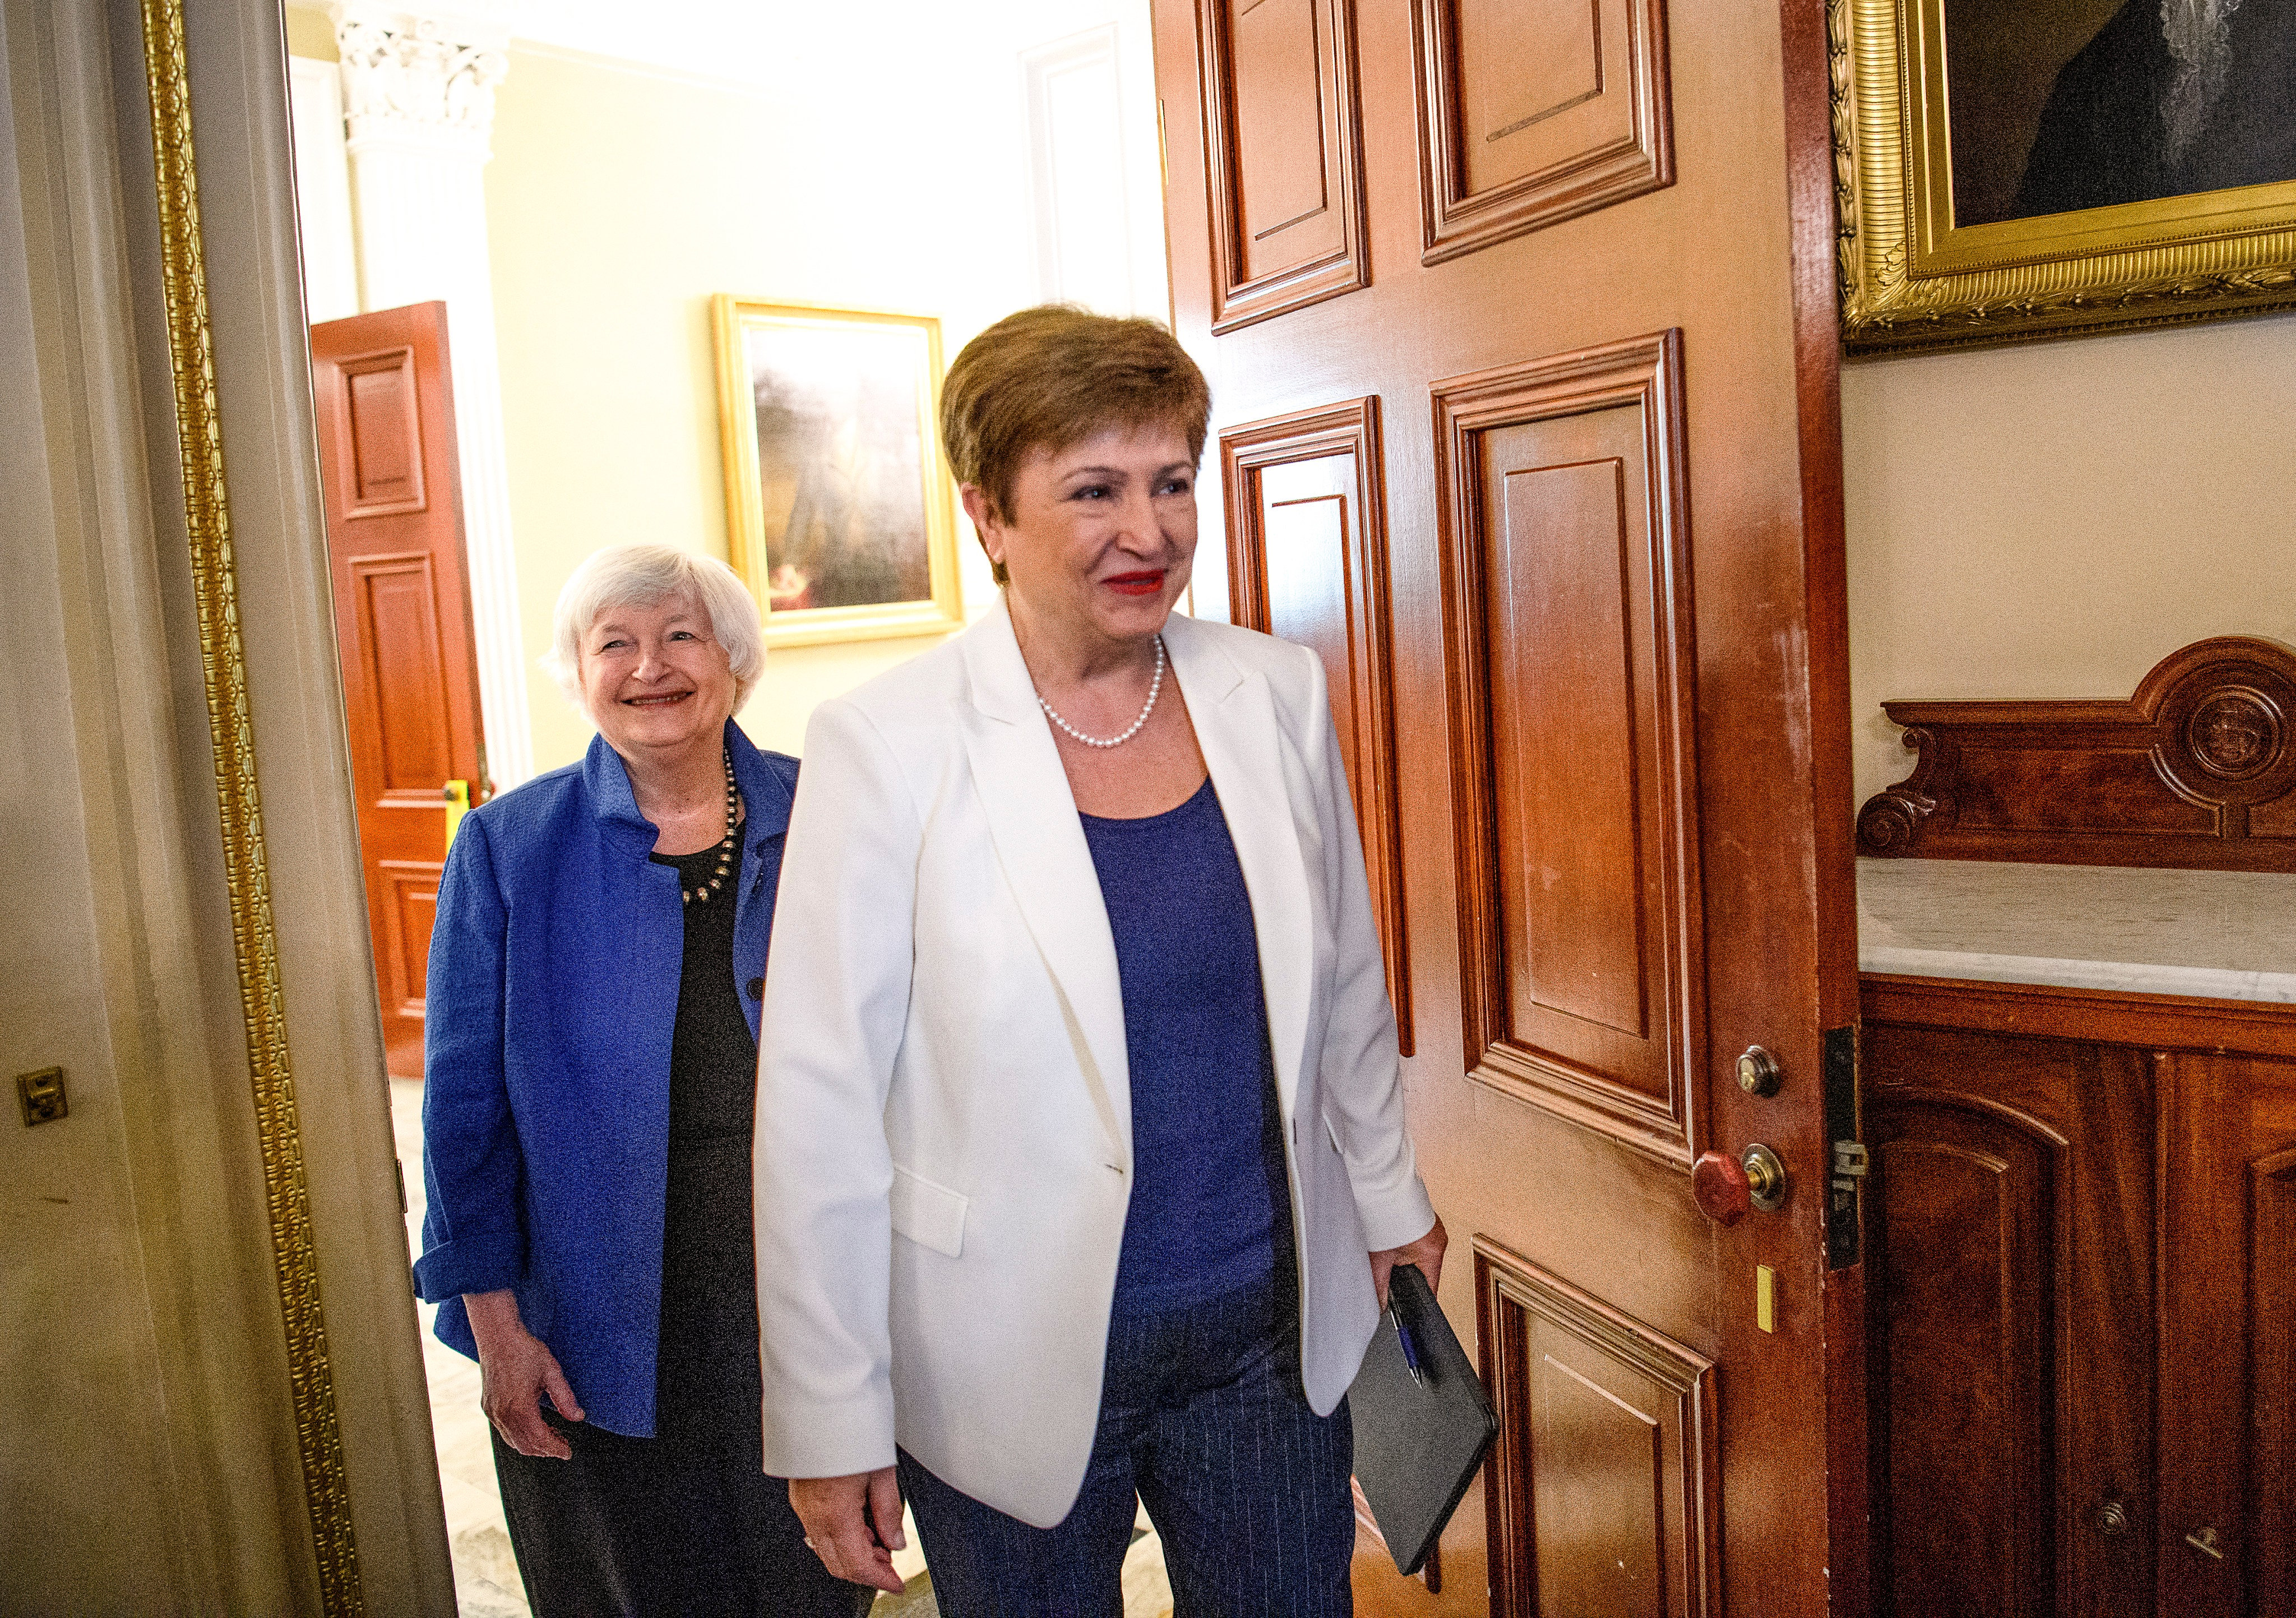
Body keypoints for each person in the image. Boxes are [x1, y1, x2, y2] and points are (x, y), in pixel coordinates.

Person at [754, 307, 1447, 1615]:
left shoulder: (1272, 691)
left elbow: (1344, 978)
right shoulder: (884, 744)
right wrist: (829, 1407)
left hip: (1262, 1335)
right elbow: (817, 1103)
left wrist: (1391, 1201)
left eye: (1171, 482)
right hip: (999, 1357)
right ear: (987, 515)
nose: (1150, 532)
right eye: (1093, 491)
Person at [414, 544, 871, 1617]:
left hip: (802, 1296)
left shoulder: (836, 814)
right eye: (614, 642)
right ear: (579, 671)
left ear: (733, 659)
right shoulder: (507, 848)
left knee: (813, 1583)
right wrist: (496, 1328)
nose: (649, 666)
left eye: (680, 635)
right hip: (594, 1314)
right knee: (642, 1589)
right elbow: (460, 1118)